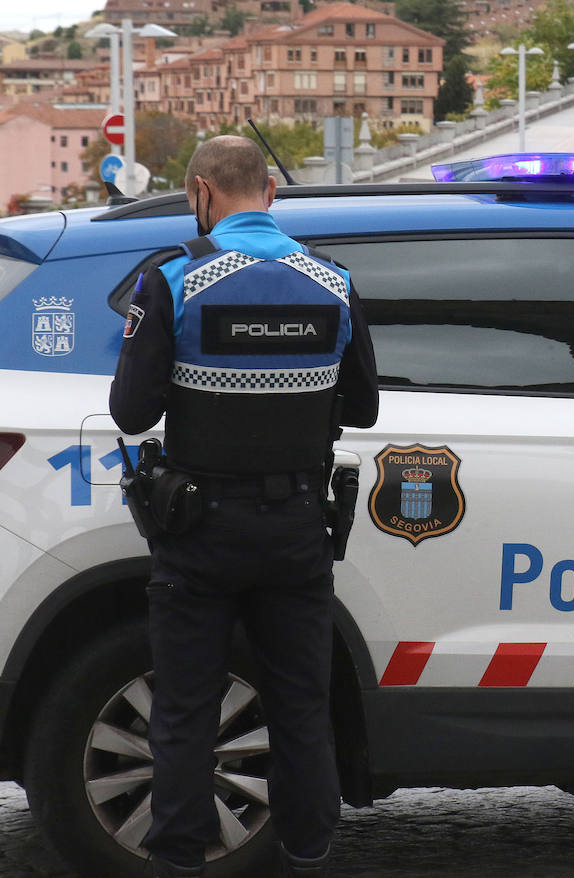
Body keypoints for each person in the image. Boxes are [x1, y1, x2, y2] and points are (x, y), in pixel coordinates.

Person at [109, 135, 380, 878]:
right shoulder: (331, 281)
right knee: (300, 702)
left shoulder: (174, 279)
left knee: (187, 709)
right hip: (297, 528)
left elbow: (131, 413)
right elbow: (363, 406)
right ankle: (307, 850)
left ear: (201, 192)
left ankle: (180, 859)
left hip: (197, 530)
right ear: (270, 193)